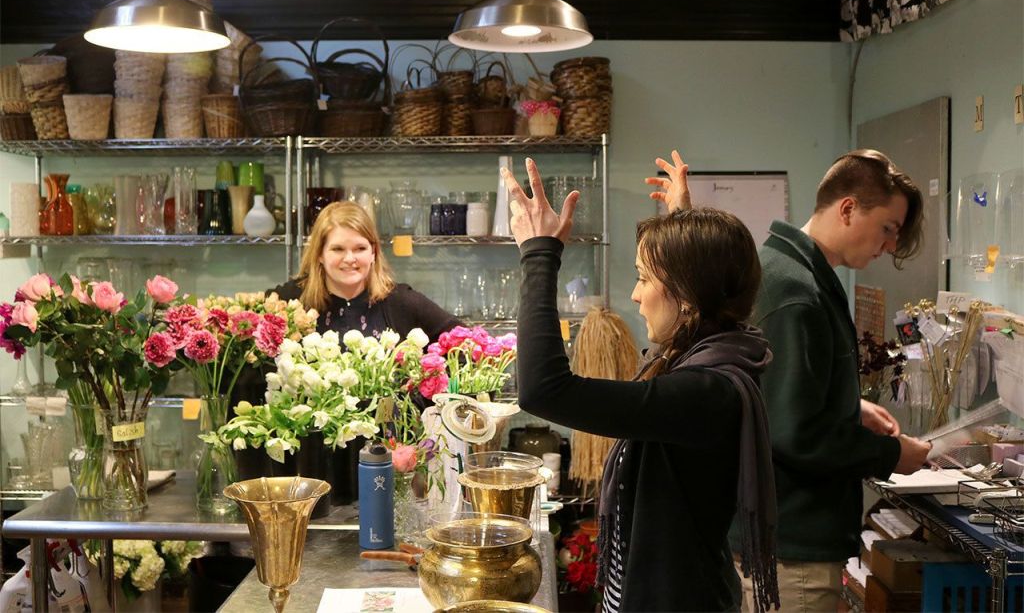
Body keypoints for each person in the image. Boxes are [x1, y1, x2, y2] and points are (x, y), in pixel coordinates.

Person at [650, 149, 932, 612]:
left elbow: (768, 386)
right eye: (887, 228)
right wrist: (891, 455)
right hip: (791, 548)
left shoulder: (786, 270)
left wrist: (847, 405)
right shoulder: (795, 291)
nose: (888, 247)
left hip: (778, 540)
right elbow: (792, 434)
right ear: (847, 209)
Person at [502, 158, 780, 612]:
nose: (634, 294)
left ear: (688, 298)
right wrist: (681, 231)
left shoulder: (707, 393)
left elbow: (544, 389)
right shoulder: (711, 355)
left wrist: (539, 254)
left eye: (643, 278)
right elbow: (693, 299)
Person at [272, 200, 458, 340]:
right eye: (338, 249)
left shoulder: (400, 301)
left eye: (360, 248)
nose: (350, 259)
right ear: (320, 254)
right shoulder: (290, 300)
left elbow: (467, 342)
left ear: (373, 252)